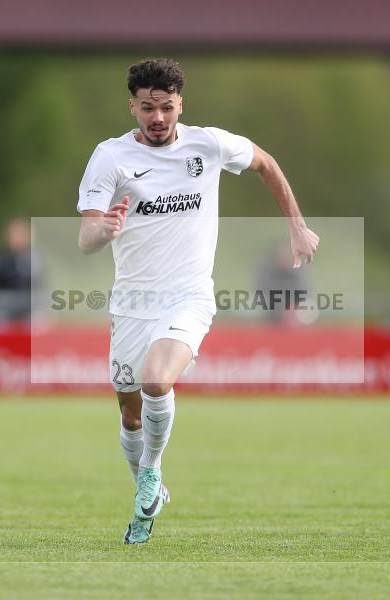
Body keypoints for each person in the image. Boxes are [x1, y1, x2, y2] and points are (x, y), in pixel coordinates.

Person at [77, 58, 319, 544]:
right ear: (133, 107)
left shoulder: (209, 144)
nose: (158, 117)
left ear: (180, 105)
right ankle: (149, 489)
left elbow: (265, 162)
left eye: (167, 107)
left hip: (188, 297)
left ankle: (150, 472)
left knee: (156, 380)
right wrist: (103, 230)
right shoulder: (110, 157)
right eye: (148, 108)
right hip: (131, 304)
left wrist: (296, 223)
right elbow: (86, 237)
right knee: (129, 416)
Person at [0, 218, 38, 322]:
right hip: (4, 311)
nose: (17, 239)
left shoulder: (35, 260)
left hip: (28, 311)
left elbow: (39, 288)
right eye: (14, 235)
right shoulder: (0, 260)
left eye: (20, 235)